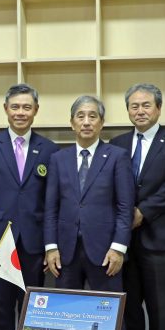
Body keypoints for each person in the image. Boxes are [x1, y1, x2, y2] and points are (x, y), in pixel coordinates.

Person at [0, 84, 59, 330]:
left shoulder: (50, 149)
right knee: (1, 305)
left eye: (27, 107)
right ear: (6, 109)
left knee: (33, 306)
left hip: (34, 241)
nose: (21, 112)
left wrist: (51, 245)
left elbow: (52, 203)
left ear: (36, 111)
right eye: (15, 107)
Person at [110, 83, 165, 330]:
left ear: (158, 108)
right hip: (125, 241)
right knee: (129, 306)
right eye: (134, 106)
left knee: (159, 306)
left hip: (159, 237)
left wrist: (143, 211)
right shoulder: (117, 144)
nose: (140, 111)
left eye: (146, 105)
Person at [44, 95, 134, 293]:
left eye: (92, 116)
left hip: (105, 252)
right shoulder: (58, 159)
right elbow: (51, 208)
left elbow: (125, 208)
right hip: (66, 252)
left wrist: (118, 248)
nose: (86, 122)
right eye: (80, 116)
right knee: (67, 314)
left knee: (108, 314)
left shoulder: (117, 156)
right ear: (72, 123)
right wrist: (51, 247)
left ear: (101, 123)